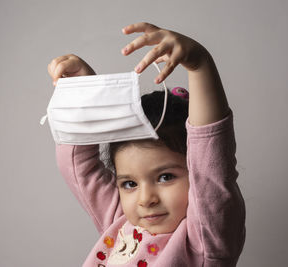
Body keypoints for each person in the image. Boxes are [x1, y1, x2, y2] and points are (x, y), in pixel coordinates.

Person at [47, 22, 245, 267]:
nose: (145, 199)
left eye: (165, 177)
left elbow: (211, 169)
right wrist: (87, 94)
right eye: (129, 183)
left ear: (195, 172)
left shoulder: (204, 240)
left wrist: (199, 64)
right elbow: (79, 167)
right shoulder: (120, 220)